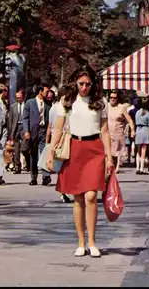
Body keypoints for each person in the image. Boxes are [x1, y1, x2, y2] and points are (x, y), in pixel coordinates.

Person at [47, 67, 113, 258]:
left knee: (91, 196)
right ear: (75, 83)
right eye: (81, 84)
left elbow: (105, 130)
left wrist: (109, 156)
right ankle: (81, 242)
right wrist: (51, 153)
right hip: (74, 148)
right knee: (77, 197)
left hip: (94, 149)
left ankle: (92, 242)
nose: (84, 87)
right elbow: (57, 129)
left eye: (88, 84)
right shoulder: (66, 102)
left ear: (93, 85)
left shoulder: (100, 102)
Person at [39, 86, 72, 203]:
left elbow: (50, 126)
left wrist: (49, 142)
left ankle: (64, 191)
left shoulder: (54, 107)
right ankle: (64, 191)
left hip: (60, 138)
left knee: (62, 167)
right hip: (63, 138)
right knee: (63, 167)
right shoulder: (59, 108)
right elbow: (52, 126)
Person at [22, 82, 50, 186]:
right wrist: (26, 131)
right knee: (33, 155)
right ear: (40, 91)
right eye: (46, 92)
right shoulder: (30, 103)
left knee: (44, 153)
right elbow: (25, 118)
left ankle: (46, 176)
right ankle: (33, 177)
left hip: (43, 131)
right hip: (33, 131)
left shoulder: (47, 104)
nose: (48, 94)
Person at [107, 89, 135, 174]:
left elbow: (129, 120)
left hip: (118, 134)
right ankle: (108, 169)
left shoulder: (121, 107)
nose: (112, 99)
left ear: (117, 98)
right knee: (107, 153)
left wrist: (132, 131)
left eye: (114, 98)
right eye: (111, 97)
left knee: (116, 154)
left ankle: (116, 167)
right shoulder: (106, 106)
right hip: (107, 134)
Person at [7, 89, 29, 174]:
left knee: (24, 148)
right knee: (16, 149)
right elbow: (10, 120)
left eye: (20, 98)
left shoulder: (27, 105)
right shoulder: (13, 106)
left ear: (23, 97)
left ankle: (28, 161)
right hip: (16, 128)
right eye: (17, 98)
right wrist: (10, 133)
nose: (18, 99)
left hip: (24, 128)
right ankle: (17, 166)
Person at [134, 100, 149, 175]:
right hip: (145, 130)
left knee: (138, 150)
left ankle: (137, 167)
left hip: (138, 130)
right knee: (144, 150)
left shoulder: (137, 112)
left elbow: (136, 121)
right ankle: (142, 168)